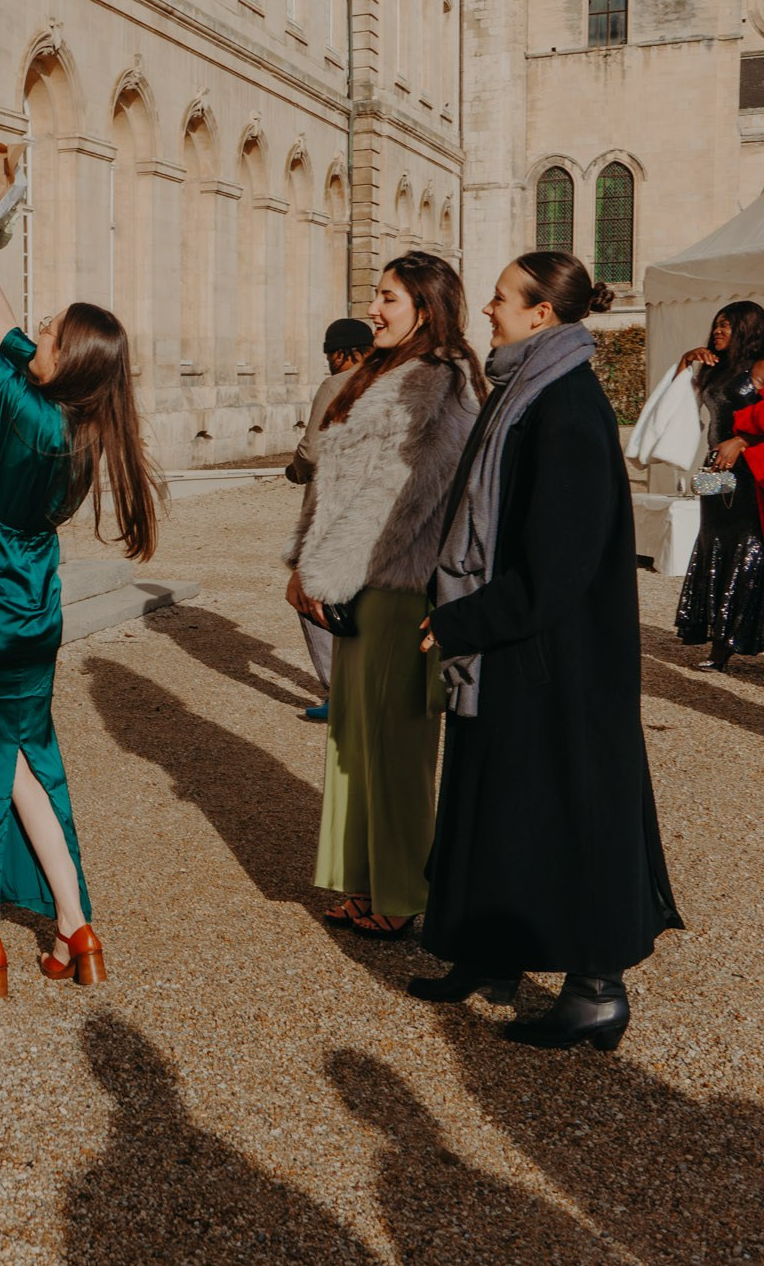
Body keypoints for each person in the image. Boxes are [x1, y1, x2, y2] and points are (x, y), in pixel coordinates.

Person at [413, 252, 683, 1049]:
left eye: (500, 298)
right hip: (518, 652)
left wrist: (466, 622)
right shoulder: (524, 387)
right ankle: (490, 948)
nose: (486, 310)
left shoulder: (564, 404)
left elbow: (558, 563)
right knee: (495, 802)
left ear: (541, 314)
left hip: (554, 662)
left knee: (568, 812)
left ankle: (598, 989)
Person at [0, 260, 164, 996]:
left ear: (69, 361)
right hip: (34, 606)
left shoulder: (21, 409)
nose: (39, 331)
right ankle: (73, 923)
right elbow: (3, 329)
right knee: (29, 759)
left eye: (51, 330)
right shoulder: (82, 419)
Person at [285, 251, 481, 939]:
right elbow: (331, 479)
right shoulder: (383, 371)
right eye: (376, 294)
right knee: (353, 738)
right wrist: (305, 559)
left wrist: (324, 570)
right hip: (357, 580)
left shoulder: (440, 384)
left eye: (388, 297)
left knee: (397, 747)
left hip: (399, 586)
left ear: (425, 307)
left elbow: (400, 499)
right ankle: (363, 878)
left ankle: (401, 890)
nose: (374, 307)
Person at [284, 318, 374, 722]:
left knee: (309, 596)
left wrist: (295, 469)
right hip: (374, 509)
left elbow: (313, 452)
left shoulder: (337, 386)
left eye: (329, 356)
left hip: (331, 508)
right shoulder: (390, 378)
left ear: (341, 353)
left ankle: (341, 692)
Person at [671, 303, 764, 671]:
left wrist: (740, 440)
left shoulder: (760, 365)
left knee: (747, 544)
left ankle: (731, 641)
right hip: (714, 465)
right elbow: (675, 400)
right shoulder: (717, 367)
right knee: (712, 540)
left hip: (746, 468)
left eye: (726, 325)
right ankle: (718, 640)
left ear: (746, 328)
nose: (717, 332)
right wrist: (685, 361)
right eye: (716, 325)